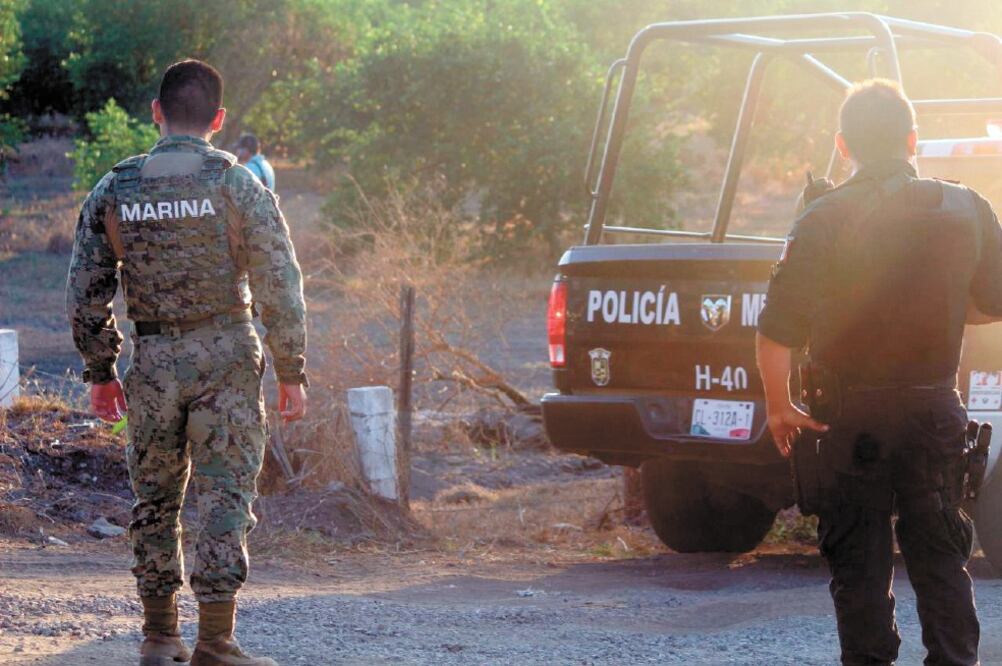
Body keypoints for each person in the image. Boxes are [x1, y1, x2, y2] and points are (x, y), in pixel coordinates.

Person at [67, 59, 308, 666]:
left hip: (150, 361)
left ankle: (158, 636)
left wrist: (100, 371)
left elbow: (84, 289)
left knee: (156, 497)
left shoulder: (116, 187)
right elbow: (281, 282)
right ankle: (217, 642)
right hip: (227, 356)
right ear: (219, 119)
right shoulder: (238, 185)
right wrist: (292, 369)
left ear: (156, 112)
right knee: (225, 494)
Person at [756, 79, 1002, 666]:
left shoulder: (822, 216)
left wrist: (779, 405)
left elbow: (775, 329)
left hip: (847, 420)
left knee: (858, 565)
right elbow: (991, 305)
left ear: (844, 147)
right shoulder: (967, 206)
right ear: (914, 139)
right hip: (933, 411)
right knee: (942, 559)